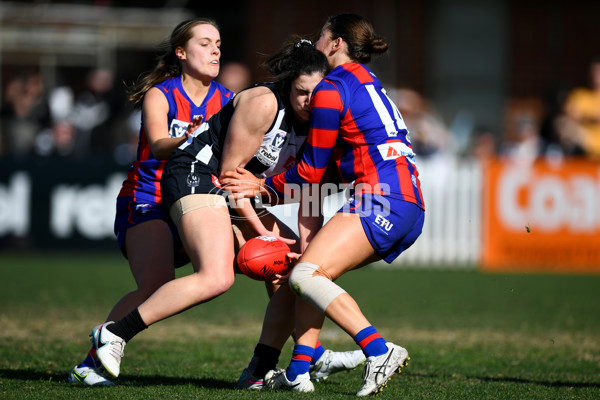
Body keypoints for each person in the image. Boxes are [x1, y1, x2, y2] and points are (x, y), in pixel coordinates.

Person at [86, 36, 364, 383]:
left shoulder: (323, 122)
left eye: (317, 94)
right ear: (288, 84)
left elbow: (311, 191)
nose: (309, 102)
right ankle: (113, 334)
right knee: (217, 278)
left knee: (297, 274)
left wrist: (305, 252)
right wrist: (262, 233)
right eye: (301, 92)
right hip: (196, 173)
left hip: (230, 192)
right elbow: (229, 178)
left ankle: (266, 369)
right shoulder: (264, 103)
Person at [223, 13, 425, 396]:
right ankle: (299, 370)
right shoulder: (368, 81)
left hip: (380, 198)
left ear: (336, 44)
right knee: (311, 271)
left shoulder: (332, 87)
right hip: (405, 201)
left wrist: (261, 186)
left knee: (304, 276)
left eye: (321, 36)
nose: (314, 44)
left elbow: (312, 172)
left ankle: (378, 350)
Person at [68, 18, 234, 386]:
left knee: (264, 256)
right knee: (155, 284)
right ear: (181, 52)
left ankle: (295, 358)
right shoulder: (162, 93)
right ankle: (92, 362)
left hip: (197, 197)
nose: (215, 50)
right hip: (150, 198)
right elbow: (159, 144)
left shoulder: (226, 99)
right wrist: (190, 138)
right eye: (205, 43)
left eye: (218, 43)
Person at [563, 56, 600, 160]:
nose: (595, 75)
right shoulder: (580, 95)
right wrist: (593, 117)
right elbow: (570, 117)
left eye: (598, 71)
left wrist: (584, 115)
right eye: (594, 71)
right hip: (583, 147)